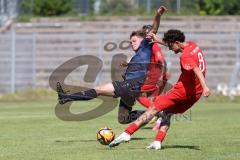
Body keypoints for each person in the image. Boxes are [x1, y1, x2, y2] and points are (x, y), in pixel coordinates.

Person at [109, 29, 211, 150]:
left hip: (182, 91)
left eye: (170, 45)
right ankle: (157, 142)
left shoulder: (185, 56)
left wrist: (205, 86)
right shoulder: (193, 45)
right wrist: (158, 41)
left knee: (153, 108)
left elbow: (196, 69)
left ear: (177, 42)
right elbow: (188, 56)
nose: (169, 48)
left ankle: (127, 133)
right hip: (195, 94)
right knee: (167, 113)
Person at [56, 6, 168, 114]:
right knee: (124, 118)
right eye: (130, 42)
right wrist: (128, 64)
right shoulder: (139, 54)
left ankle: (66, 98)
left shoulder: (146, 45)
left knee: (99, 89)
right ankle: (157, 114)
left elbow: (154, 29)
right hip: (131, 86)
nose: (131, 44)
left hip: (132, 85)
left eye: (134, 41)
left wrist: (158, 14)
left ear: (143, 40)